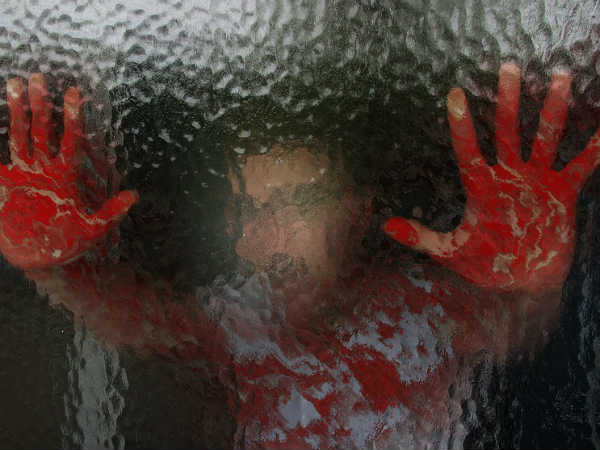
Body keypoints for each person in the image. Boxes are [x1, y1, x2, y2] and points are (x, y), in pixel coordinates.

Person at [1, 63, 598, 448]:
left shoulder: (420, 307)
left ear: (358, 208)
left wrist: (528, 285)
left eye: (294, 202)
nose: (258, 238)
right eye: (244, 210)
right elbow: (132, 322)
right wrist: (54, 270)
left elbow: (516, 335)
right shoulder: (236, 319)